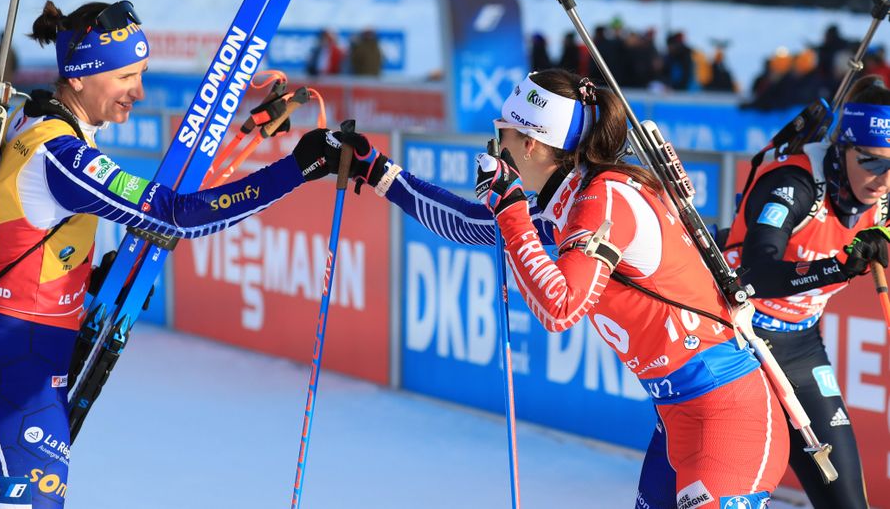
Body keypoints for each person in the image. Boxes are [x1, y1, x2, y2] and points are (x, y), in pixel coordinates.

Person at [299, 68, 789, 508]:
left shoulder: (604, 198)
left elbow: (561, 309)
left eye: (501, 136)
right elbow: (474, 223)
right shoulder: (569, 198)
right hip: (677, 419)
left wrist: (510, 207)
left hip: (730, 416)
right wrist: (374, 168)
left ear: (531, 143)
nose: (496, 149)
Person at [0, 0, 342, 509]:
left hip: (24, 348)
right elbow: (179, 215)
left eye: (141, 74)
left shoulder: (37, 123)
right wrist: (296, 169)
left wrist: (89, 279)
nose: (138, 92)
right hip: (14, 358)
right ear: (78, 77)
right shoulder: (60, 154)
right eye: (124, 77)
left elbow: (21, 234)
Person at [722, 74, 890, 508]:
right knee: (723, 492)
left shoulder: (884, 196)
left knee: (847, 501)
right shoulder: (794, 186)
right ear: (842, 149)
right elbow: (757, 273)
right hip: (736, 342)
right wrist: (838, 266)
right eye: (871, 162)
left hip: (800, 346)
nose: (883, 179)